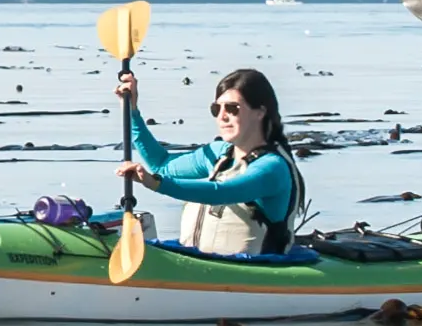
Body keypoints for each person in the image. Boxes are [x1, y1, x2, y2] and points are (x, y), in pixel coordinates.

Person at [116, 65, 307, 255]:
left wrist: (156, 183)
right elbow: (162, 165)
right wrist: (132, 111)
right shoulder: (219, 154)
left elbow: (222, 192)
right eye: (217, 108)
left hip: (252, 271)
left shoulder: (272, 168)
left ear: (260, 112)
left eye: (233, 108)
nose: (222, 116)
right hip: (201, 262)